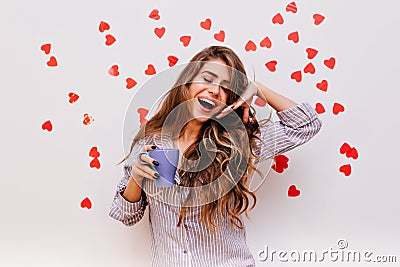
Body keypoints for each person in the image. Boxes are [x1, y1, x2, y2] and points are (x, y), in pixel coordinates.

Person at [109, 46, 322, 266]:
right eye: (207, 79)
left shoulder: (238, 144)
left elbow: (307, 124)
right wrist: (136, 176)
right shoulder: (152, 143)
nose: (214, 91)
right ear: (188, 83)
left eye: (225, 87)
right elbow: (125, 215)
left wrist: (257, 89)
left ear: (230, 99)